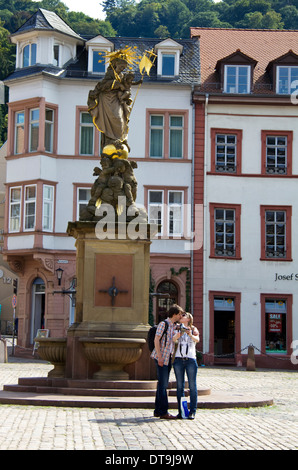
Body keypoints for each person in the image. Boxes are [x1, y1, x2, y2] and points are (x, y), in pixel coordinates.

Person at [151, 304, 184, 419]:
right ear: (174, 314)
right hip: (161, 358)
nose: (181, 316)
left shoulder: (173, 326)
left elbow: (181, 328)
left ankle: (157, 411)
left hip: (168, 358)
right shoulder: (163, 324)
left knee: (161, 385)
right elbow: (156, 340)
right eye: (180, 314)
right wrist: (159, 357)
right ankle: (164, 411)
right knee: (163, 385)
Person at [173, 312, 200, 420]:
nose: (181, 316)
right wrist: (179, 334)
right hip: (179, 359)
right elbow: (173, 340)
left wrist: (190, 334)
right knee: (180, 387)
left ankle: (192, 411)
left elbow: (197, 339)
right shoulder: (177, 328)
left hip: (190, 360)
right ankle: (181, 412)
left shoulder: (193, 329)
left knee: (192, 386)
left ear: (188, 319)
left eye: (184, 315)